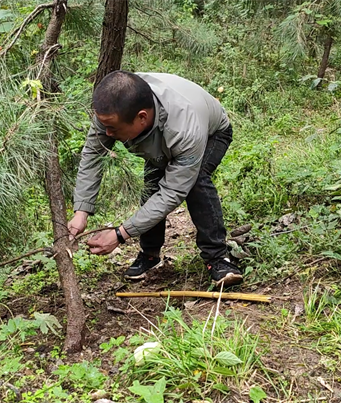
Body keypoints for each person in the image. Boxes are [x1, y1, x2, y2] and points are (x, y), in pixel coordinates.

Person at [67, 70, 243, 287]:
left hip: (210, 133)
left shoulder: (186, 128)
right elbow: (93, 155)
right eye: (104, 126)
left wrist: (120, 235)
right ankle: (150, 254)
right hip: (159, 138)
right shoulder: (113, 108)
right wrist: (81, 210)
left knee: (196, 183)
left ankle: (218, 258)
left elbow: (172, 192)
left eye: (112, 128)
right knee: (152, 185)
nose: (107, 133)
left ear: (141, 117)